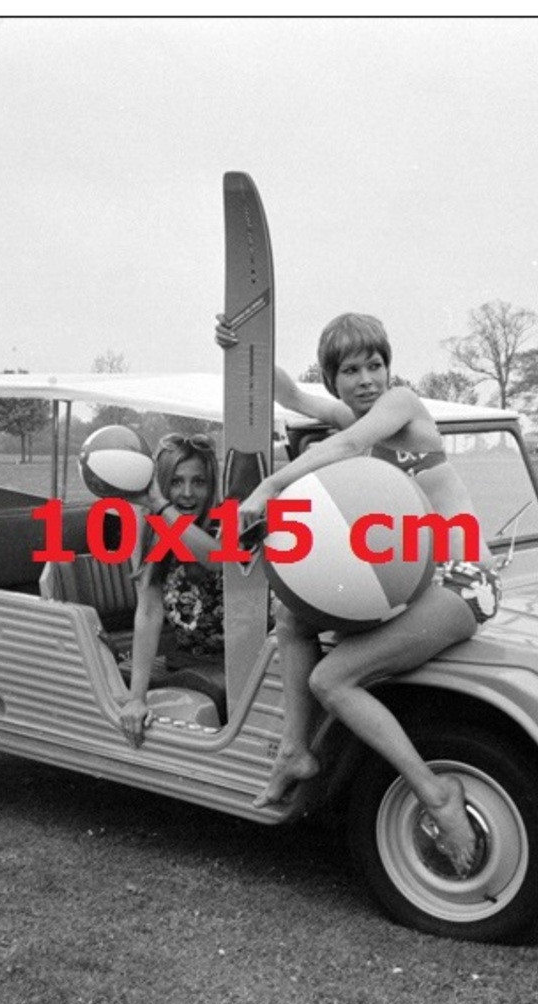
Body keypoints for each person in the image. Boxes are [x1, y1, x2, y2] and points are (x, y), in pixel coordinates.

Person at [227, 312, 501, 875]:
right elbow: (290, 394)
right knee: (293, 617)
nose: (367, 379)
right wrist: (242, 348)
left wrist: (272, 485)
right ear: (335, 380)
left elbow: (350, 442)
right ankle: (294, 751)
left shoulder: (401, 405)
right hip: (415, 580)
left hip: (465, 579)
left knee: (333, 678)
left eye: (375, 364)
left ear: (388, 367)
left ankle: (433, 791)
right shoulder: (346, 410)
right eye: (350, 370)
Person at [117, 432, 227, 747]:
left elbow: (215, 558)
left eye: (200, 482)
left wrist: (161, 507)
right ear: (163, 483)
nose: (188, 493)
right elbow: (149, 611)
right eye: (176, 482)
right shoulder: (152, 530)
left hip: (242, 660)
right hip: (189, 660)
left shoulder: (225, 523)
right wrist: (135, 699)